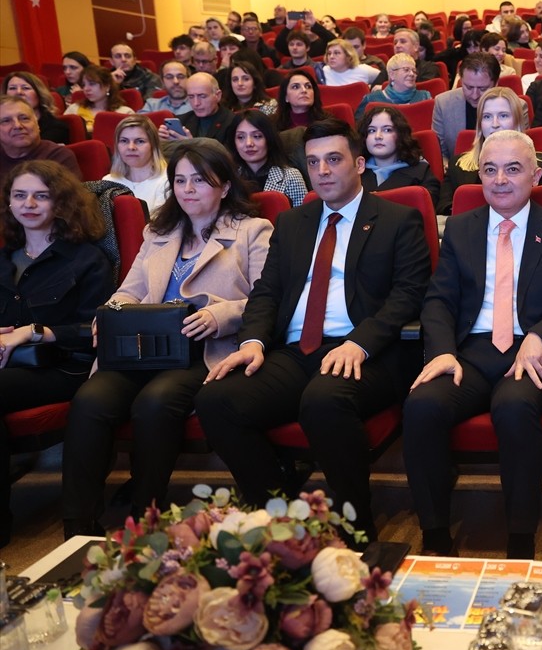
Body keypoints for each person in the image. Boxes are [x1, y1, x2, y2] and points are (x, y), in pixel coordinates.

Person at [196, 118, 431, 543]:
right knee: (217, 399)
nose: (323, 170)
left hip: (366, 352)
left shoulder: (399, 219)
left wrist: (360, 343)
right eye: (314, 162)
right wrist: (252, 342)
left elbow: (409, 296)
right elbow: (267, 291)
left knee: (324, 400)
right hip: (295, 350)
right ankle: (278, 514)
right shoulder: (293, 223)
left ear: (359, 163)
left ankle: (356, 529)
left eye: (334, 159)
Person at [403, 130, 542, 559]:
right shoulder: (461, 227)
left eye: (513, 169)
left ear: (535, 173)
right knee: (422, 404)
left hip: (533, 354)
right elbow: (439, 298)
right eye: (489, 169)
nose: (500, 180)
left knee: (513, 405)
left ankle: (520, 538)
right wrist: (440, 351)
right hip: (469, 354)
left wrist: (539, 337)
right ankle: (435, 535)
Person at [61, 140, 271, 538]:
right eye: (180, 180)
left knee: (154, 402)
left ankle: (145, 518)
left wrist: (220, 314)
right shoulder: (159, 231)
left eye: (200, 180)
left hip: (204, 350)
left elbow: (268, 297)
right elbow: (131, 290)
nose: (188, 189)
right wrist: (111, 313)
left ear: (225, 186)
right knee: (89, 401)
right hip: (144, 346)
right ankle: (78, 526)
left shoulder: (252, 231)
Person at [0, 161, 112, 546]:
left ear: (60, 203)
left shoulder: (86, 260)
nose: (28, 203)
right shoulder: (3, 258)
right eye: (19, 195)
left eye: (40, 195)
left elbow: (95, 332)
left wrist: (33, 334)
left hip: (65, 368)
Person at [439, 86, 542, 215]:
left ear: (517, 121)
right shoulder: (457, 165)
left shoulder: (541, 164)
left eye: (503, 115)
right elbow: (443, 208)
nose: (495, 124)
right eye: (487, 117)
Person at [357, 105, 439, 204]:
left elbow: (427, 209)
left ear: (400, 135)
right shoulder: (354, 172)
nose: (378, 136)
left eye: (387, 130)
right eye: (372, 130)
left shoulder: (421, 171)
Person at [432, 53, 502, 165]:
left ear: (496, 84)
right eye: (468, 87)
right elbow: (440, 153)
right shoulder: (443, 103)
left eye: (482, 89)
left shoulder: (516, 107)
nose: (474, 95)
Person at [230, 110, 307, 206]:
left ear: (269, 139)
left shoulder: (291, 177)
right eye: (240, 137)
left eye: (257, 136)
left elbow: (303, 218)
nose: (249, 143)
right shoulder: (230, 179)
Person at [0, 97, 81, 181]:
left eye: (24, 118)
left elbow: (67, 193)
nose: (17, 125)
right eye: (6, 121)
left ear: (37, 124)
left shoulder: (58, 156)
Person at [105, 115, 170, 214]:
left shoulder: (167, 180)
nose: (131, 147)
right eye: (124, 141)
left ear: (153, 145)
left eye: (140, 141)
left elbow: (160, 226)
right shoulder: (108, 182)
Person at [158, 73, 236, 147]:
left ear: (217, 95)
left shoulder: (233, 122)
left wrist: (191, 145)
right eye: (191, 97)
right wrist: (163, 144)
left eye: (202, 96)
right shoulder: (182, 120)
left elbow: (226, 158)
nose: (196, 103)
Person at [356, 54, 432, 120]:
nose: (412, 74)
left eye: (414, 71)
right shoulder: (372, 99)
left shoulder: (424, 97)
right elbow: (360, 129)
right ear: (392, 74)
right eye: (406, 70)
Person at [3, 72, 69, 145]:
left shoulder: (56, 128)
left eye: (25, 88)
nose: (18, 92)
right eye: (12, 88)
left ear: (39, 94)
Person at [65, 66, 132, 134]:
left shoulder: (124, 113)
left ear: (107, 86)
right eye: (84, 85)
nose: (86, 89)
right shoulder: (74, 109)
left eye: (92, 84)